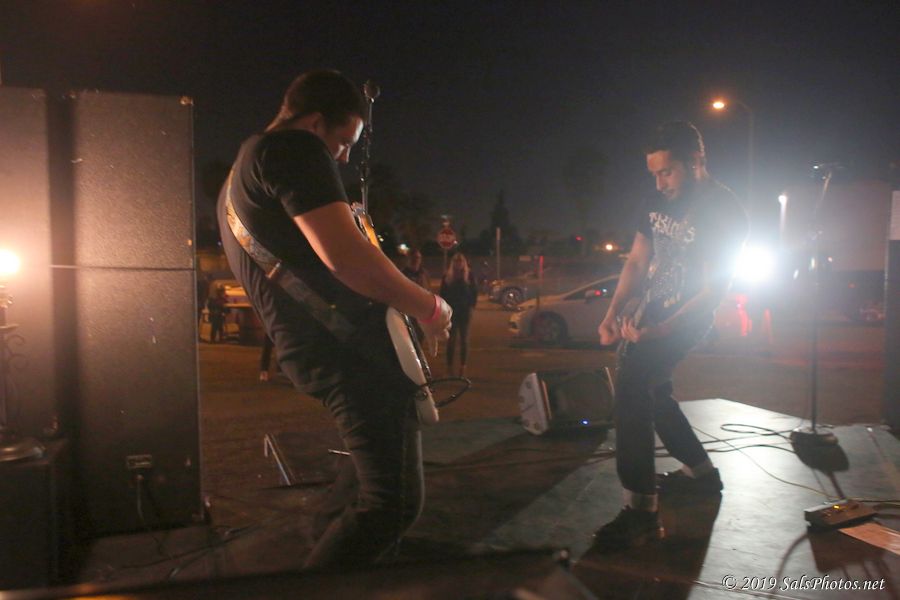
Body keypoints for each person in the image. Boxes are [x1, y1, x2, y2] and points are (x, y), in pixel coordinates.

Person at [216, 70, 452, 568]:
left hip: (321, 348)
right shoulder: (292, 149)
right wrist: (430, 308)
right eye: (343, 141)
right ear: (315, 122)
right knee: (393, 504)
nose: (342, 157)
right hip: (348, 351)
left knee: (359, 490)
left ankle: (327, 554)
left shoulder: (243, 168)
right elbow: (346, 258)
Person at [593, 121, 747, 551]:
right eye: (654, 174)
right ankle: (701, 473)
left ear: (696, 161)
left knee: (632, 389)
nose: (659, 183)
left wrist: (665, 328)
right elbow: (637, 260)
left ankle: (640, 510)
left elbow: (713, 289)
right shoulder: (656, 199)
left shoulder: (724, 209)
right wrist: (612, 312)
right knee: (654, 393)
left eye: (667, 172)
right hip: (651, 312)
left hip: (688, 316)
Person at [439, 252, 478, 377]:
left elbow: (474, 292)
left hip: (464, 312)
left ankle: (462, 367)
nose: (458, 263)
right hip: (451, 312)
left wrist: (471, 306)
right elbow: (442, 293)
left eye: (460, 261)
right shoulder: (447, 276)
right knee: (451, 340)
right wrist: (443, 309)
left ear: (464, 263)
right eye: (456, 261)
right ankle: (449, 367)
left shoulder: (469, 275)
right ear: (453, 263)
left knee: (464, 340)